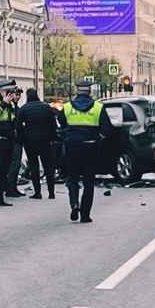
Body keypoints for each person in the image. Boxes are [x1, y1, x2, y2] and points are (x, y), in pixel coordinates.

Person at [59, 81, 106, 221]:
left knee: (72, 177)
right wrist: (99, 139)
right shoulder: (98, 107)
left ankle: (74, 204)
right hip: (90, 146)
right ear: (89, 91)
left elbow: (61, 122)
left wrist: (69, 134)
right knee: (88, 181)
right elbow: (107, 128)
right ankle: (85, 215)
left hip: (72, 146)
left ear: (77, 91)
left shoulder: (67, 107)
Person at [17, 86, 57, 198]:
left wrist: (22, 139)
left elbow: (18, 126)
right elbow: (53, 124)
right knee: (48, 165)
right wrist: (52, 137)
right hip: (44, 140)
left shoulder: (24, 109)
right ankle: (51, 192)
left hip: (30, 142)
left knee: (34, 166)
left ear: (27, 96)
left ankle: (37, 192)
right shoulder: (46, 107)